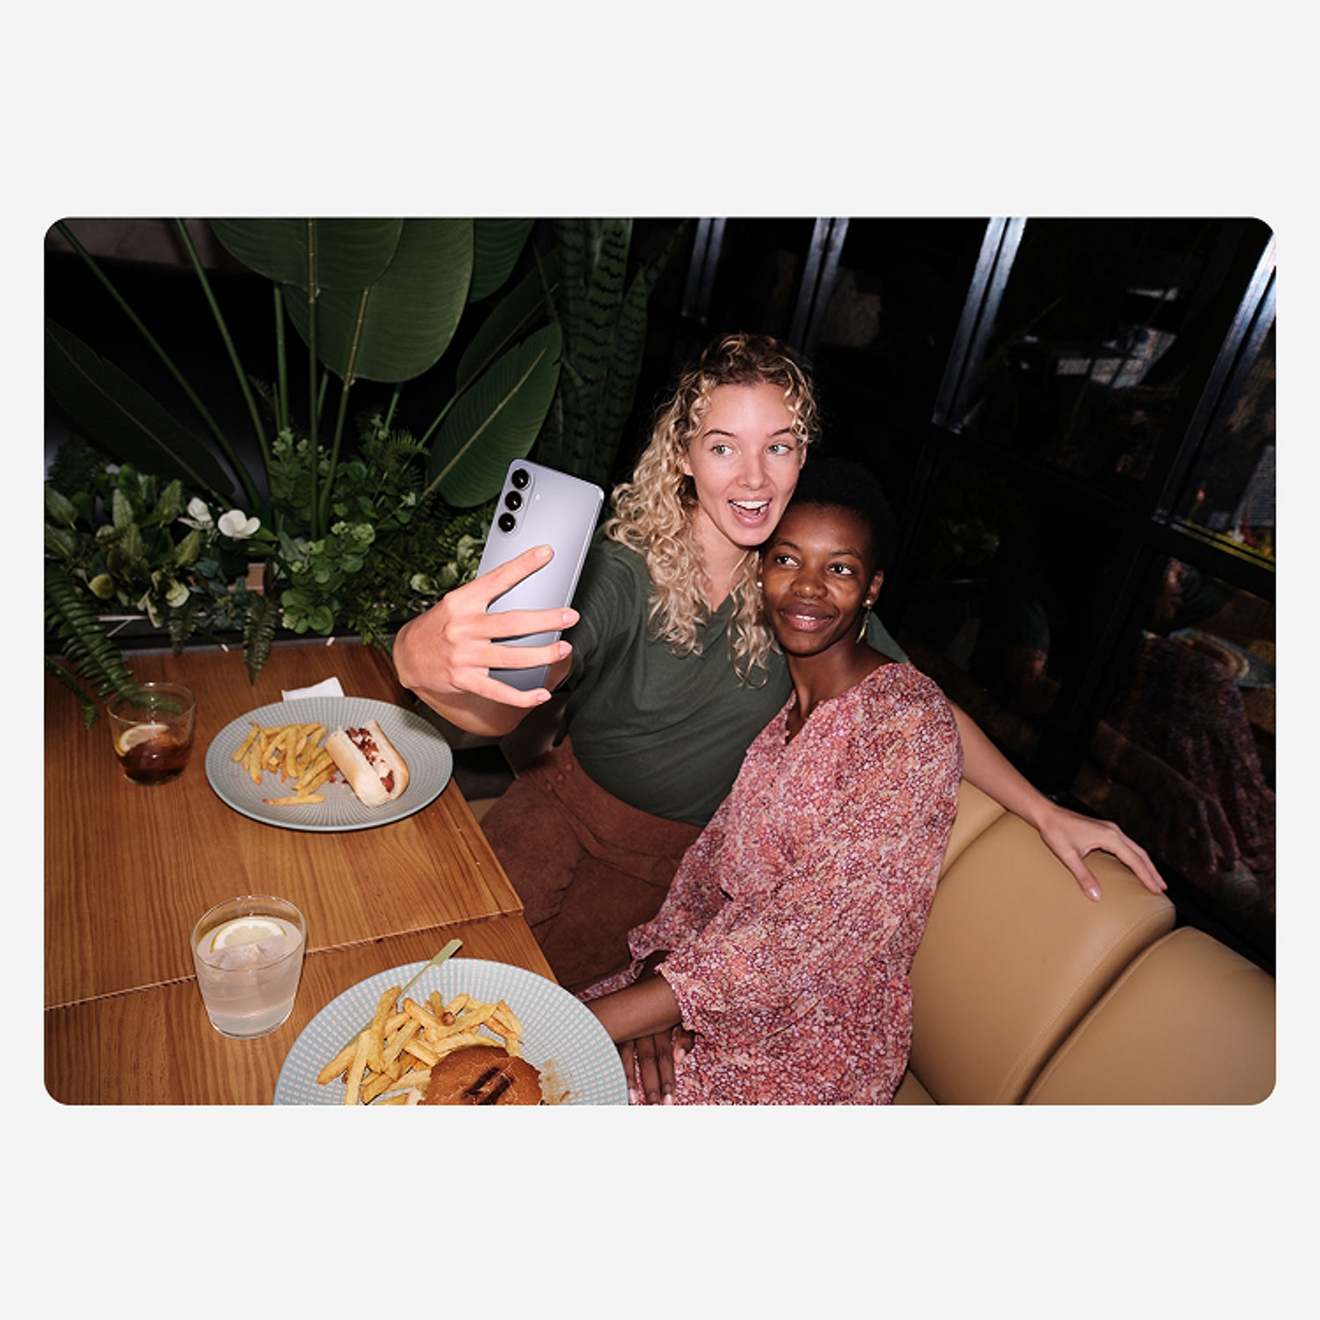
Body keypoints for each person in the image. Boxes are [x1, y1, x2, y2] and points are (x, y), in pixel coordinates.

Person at [392, 333, 1163, 992]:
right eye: (723, 446)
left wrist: (1043, 808)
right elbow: (513, 692)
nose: (754, 479)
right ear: (685, 457)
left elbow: (917, 705)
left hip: (667, 874)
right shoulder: (625, 570)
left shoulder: (805, 592)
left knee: (531, 1038)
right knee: (427, 979)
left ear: (802, 458)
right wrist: (423, 662)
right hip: (554, 810)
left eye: (779, 447)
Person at [580, 458, 960, 1103]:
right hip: (714, 981)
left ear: (871, 589)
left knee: (551, 1069)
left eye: (838, 569)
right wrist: (657, 965)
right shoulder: (781, 718)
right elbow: (710, 870)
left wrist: (620, 1015)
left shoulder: (908, 723)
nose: (808, 588)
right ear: (762, 574)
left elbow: (814, 932)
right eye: (788, 560)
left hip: (818, 1033)